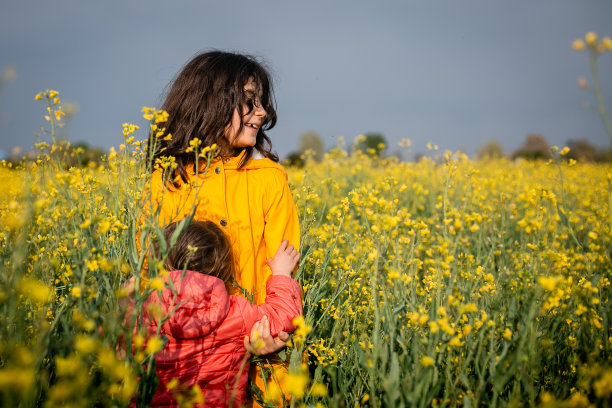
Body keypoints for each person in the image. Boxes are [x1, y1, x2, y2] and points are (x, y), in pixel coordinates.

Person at [146, 51, 301, 403]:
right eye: (249, 101)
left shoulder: (269, 179)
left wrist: (276, 335)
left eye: (262, 102)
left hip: (261, 351)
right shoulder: (168, 179)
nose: (261, 112)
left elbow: (285, 270)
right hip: (178, 369)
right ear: (210, 103)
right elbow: (150, 275)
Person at [136, 220, 302, 407]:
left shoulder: (142, 311)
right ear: (222, 268)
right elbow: (284, 315)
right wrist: (281, 272)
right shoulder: (235, 313)